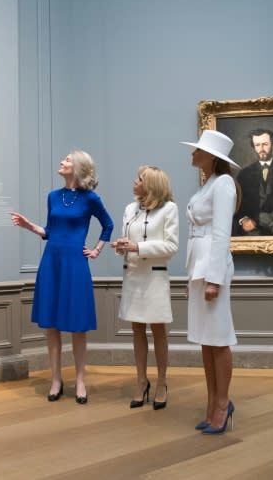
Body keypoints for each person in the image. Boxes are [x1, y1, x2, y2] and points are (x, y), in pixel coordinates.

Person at [11, 151, 114, 404]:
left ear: (79, 167)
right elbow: (50, 230)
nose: (62, 162)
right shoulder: (53, 196)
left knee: (77, 326)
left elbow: (108, 225)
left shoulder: (91, 198)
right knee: (52, 325)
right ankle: (56, 379)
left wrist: (96, 250)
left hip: (75, 264)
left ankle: (80, 380)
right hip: (52, 261)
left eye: (67, 160)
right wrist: (29, 226)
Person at [180, 130, 240, 435]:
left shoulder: (224, 184)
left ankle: (222, 404)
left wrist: (214, 279)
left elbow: (220, 236)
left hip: (213, 270)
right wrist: (191, 275)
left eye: (198, 150)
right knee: (206, 339)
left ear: (211, 156)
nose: (193, 154)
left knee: (218, 338)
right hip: (199, 269)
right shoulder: (209, 185)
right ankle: (211, 403)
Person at [111, 166, 179, 410]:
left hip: (154, 279)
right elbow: (128, 241)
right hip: (133, 276)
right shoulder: (130, 209)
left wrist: (137, 247)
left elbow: (171, 246)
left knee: (158, 330)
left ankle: (161, 382)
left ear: (150, 184)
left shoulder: (169, 209)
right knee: (137, 329)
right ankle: (141, 381)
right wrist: (121, 245)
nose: (135, 182)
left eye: (139, 179)